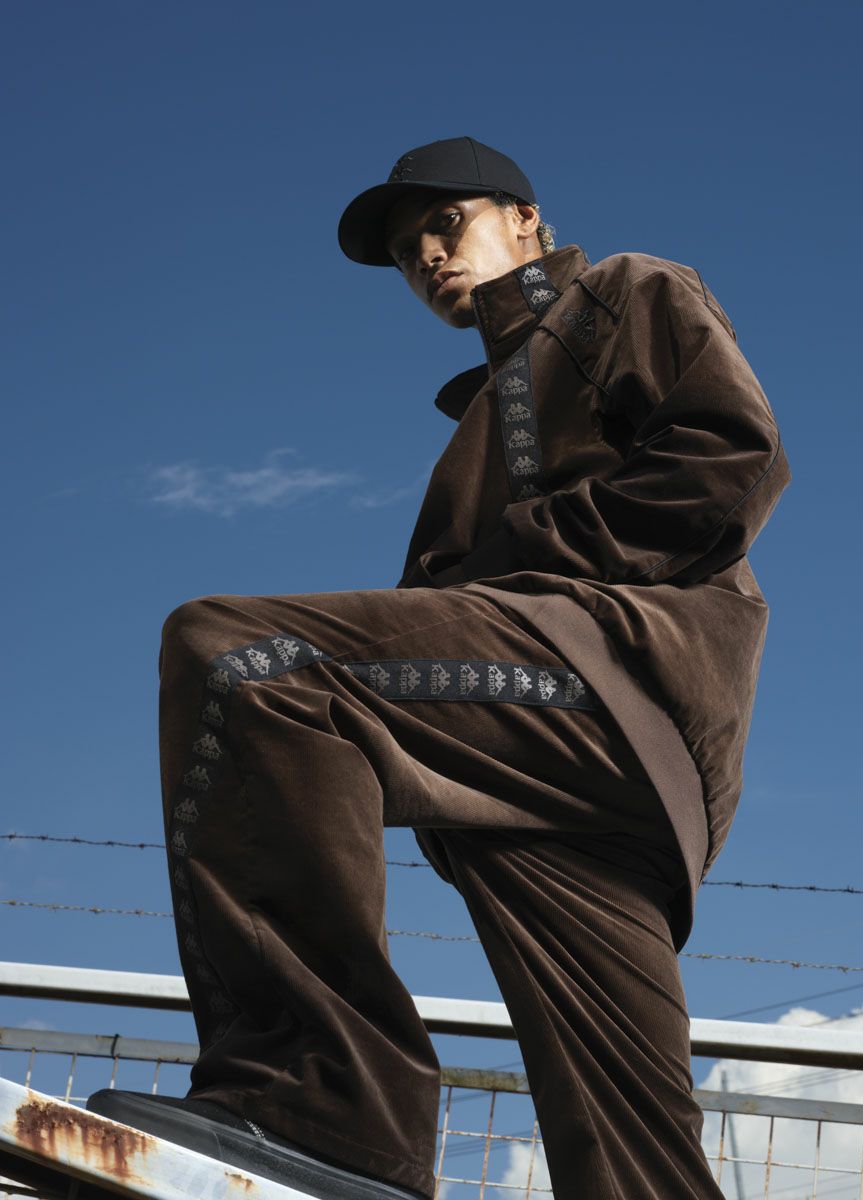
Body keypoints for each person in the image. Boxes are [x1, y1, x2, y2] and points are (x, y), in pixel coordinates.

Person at [87, 136, 791, 1200]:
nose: (425, 255)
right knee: (633, 1143)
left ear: (527, 218)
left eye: (446, 222)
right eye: (405, 249)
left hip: (610, 678)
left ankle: (320, 1102)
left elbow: (730, 455)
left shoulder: (621, 293)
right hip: (582, 786)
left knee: (244, 660)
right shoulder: (484, 407)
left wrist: (525, 554)